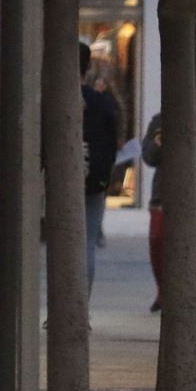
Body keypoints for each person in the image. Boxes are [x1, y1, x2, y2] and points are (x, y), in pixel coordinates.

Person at [81, 43, 120, 293]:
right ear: (87, 68)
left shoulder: (48, 98)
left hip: (60, 180)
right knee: (86, 243)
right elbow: (113, 135)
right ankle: (80, 305)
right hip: (94, 179)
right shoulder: (101, 102)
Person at [140, 112, 164, 313]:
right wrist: (157, 143)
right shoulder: (158, 121)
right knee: (157, 241)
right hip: (162, 196)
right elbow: (148, 157)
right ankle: (162, 290)